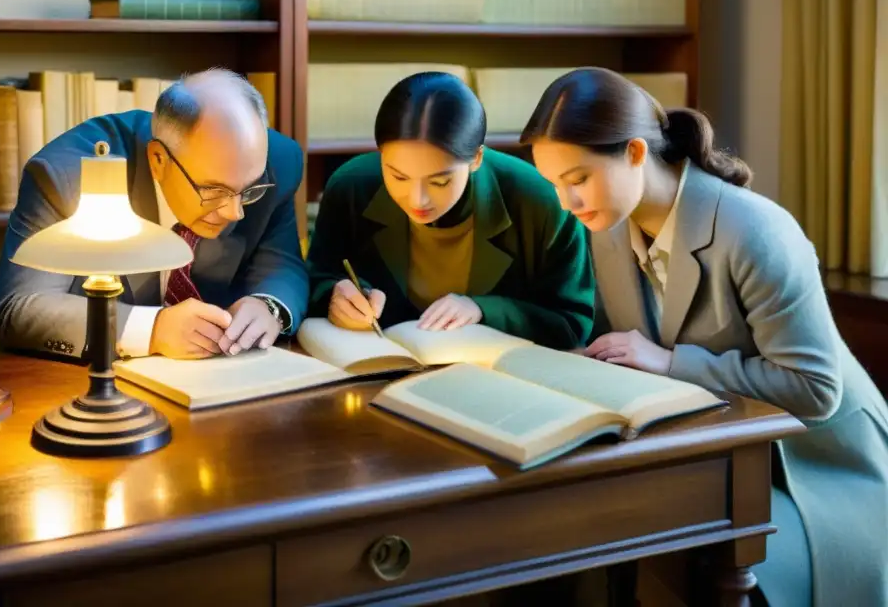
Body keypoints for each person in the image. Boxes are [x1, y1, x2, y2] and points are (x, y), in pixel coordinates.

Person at [521, 66, 888, 607]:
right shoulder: (609, 226)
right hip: (715, 448)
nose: (566, 203)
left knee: (681, 557)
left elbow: (814, 389)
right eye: (555, 184)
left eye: (577, 179)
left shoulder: (757, 231)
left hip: (817, 462)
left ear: (637, 154)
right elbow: (624, 340)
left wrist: (670, 363)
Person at [0, 68, 308, 362]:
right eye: (214, 190)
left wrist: (269, 306)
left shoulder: (277, 163)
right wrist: (150, 329)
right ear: (158, 160)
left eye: (249, 190)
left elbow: (283, 264)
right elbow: (20, 308)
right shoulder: (69, 175)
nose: (235, 211)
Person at [305, 71, 595, 349]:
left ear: (476, 159)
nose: (418, 200)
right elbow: (317, 276)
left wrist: (483, 310)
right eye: (398, 177)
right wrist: (334, 294)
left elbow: (573, 322)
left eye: (440, 181)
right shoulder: (351, 188)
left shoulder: (540, 200)